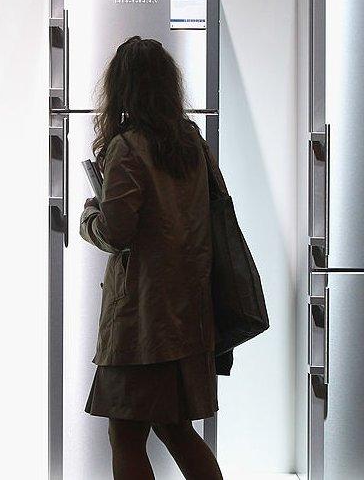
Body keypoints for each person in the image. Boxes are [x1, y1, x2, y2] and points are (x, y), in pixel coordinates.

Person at [79, 36, 225, 480]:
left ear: (122, 89)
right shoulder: (191, 144)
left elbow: (116, 230)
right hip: (187, 317)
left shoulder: (128, 148)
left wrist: (89, 214)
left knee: (126, 434)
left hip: (141, 322)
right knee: (176, 428)